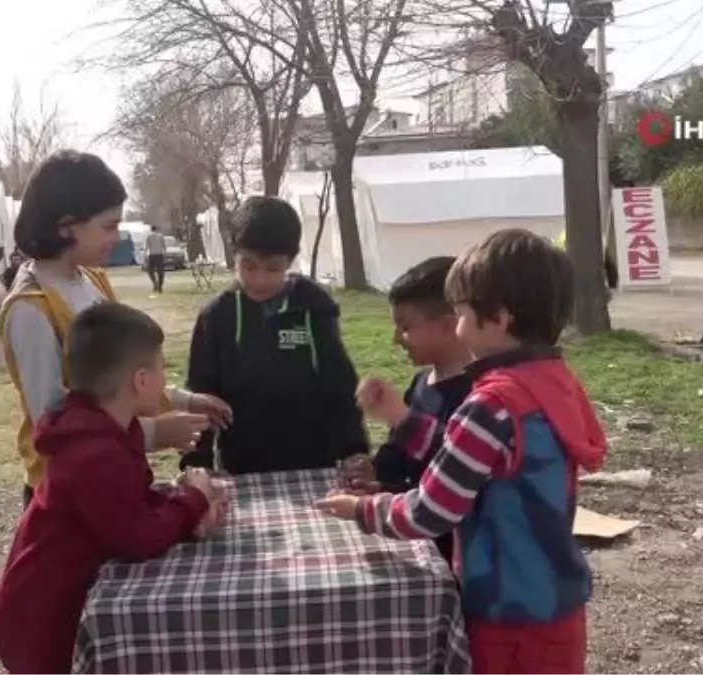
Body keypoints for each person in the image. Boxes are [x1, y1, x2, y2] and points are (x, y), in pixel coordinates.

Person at [317, 229, 607, 675]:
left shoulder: (492, 404)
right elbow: (475, 465)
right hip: (557, 599)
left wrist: (361, 509)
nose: (456, 326)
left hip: (506, 610)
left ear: (500, 318)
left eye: (461, 313)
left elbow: (431, 510)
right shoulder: (556, 381)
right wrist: (404, 429)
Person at [0, 302, 222, 675]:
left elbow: (130, 505)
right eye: (162, 369)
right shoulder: (96, 453)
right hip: (46, 623)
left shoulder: (106, 428)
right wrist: (193, 499)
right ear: (141, 380)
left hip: (58, 602)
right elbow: (138, 537)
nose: (165, 380)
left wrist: (185, 509)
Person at [0, 150, 230, 508]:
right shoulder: (31, 310)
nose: (116, 237)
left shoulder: (93, 281)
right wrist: (153, 433)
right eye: (108, 226)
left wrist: (182, 400)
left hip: (110, 471)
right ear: (66, 226)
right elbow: (54, 423)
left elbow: (116, 374)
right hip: (66, 493)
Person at [182, 195, 368, 475]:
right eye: (249, 265)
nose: (259, 279)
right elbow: (201, 394)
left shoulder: (314, 308)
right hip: (242, 463)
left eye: (273, 268)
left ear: (290, 262)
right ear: (234, 255)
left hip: (315, 460)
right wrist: (197, 462)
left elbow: (339, 384)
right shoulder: (217, 315)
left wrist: (354, 450)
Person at [341, 256, 472, 563]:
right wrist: (376, 474)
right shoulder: (421, 383)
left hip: (455, 553)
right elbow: (405, 462)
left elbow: (452, 471)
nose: (396, 339)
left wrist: (402, 418)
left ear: (447, 326)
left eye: (405, 327)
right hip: (413, 535)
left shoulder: (476, 396)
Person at [145, 224, 166, 293]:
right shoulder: (160, 235)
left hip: (152, 255)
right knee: (160, 272)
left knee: (150, 271)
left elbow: (147, 246)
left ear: (151, 229)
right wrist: (164, 253)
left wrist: (145, 255)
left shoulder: (149, 236)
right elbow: (164, 245)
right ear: (156, 229)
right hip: (159, 254)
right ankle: (160, 286)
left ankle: (155, 283)